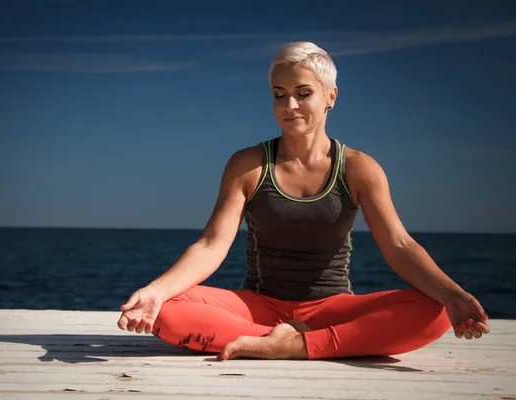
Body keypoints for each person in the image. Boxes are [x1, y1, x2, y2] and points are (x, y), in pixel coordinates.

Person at [116, 41, 491, 361]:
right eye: (279, 94)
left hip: (331, 308)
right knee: (167, 310)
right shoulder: (248, 164)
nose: (290, 104)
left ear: (331, 97)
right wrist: (157, 291)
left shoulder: (360, 169)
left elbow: (399, 244)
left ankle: (289, 345)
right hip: (259, 306)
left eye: (303, 93)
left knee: (435, 310)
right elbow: (212, 245)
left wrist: (453, 294)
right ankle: (284, 340)